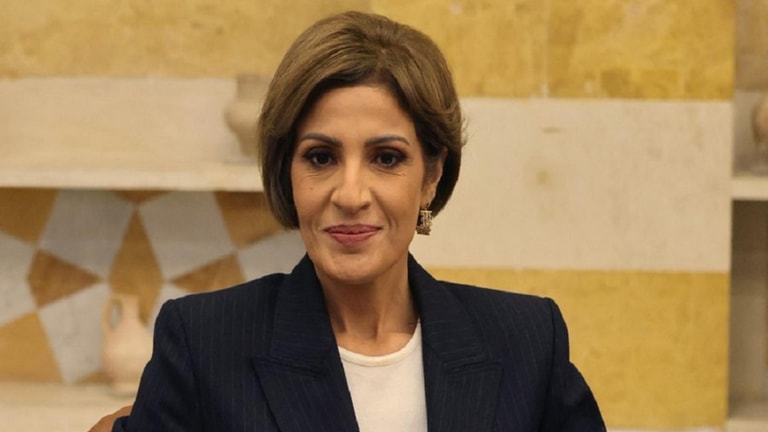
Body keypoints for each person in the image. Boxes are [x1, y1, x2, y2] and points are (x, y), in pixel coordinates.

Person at [92, 10, 605, 432]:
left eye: (386, 158)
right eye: (321, 158)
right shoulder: (203, 342)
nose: (351, 195)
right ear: (287, 171)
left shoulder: (528, 341)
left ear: (431, 176)